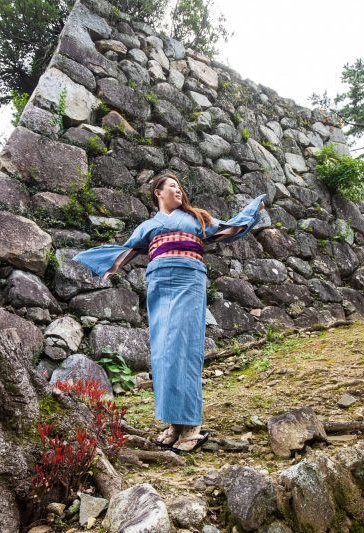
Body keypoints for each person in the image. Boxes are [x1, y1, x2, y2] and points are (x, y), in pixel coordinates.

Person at [73, 172, 266, 452]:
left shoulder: (197, 219)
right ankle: (175, 423)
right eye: (172, 186)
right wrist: (95, 263)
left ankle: (192, 425)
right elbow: (124, 252)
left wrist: (252, 212)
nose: (178, 190)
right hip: (159, 285)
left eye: (179, 186)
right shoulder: (148, 226)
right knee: (163, 352)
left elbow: (228, 229)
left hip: (189, 281)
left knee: (185, 347)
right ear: (158, 193)